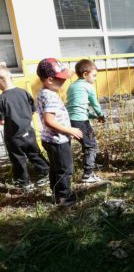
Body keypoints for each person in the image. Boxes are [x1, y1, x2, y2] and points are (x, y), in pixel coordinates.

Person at [36, 58, 83, 206]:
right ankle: (65, 199)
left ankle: (56, 195)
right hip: (58, 140)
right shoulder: (51, 96)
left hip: (49, 139)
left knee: (55, 168)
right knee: (65, 169)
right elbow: (50, 121)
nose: (63, 82)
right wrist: (70, 130)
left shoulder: (43, 92)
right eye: (61, 79)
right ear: (49, 80)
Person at [0, 66, 49, 190]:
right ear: (11, 77)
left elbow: (2, 121)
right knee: (35, 154)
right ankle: (46, 172)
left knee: (18, 160)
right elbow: (33, 111)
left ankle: (24, 183)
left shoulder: (2, 99)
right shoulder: (24, 92)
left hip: (13, 137)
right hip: (29, 132)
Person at [67, 59, 105, 183]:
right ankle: (88, 174)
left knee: (86, 144)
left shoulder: (72, 86)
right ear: (85, 74)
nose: (95, 79)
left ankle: (87, 167)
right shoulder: (88, 86)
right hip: (81, 122)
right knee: (91, 146)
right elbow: (95, 104)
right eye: (94, 75)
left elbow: (77, 108)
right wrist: (101, 115)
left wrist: (94, 117)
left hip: (70, 120)